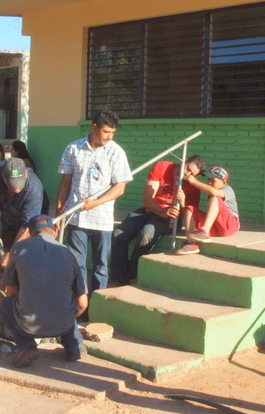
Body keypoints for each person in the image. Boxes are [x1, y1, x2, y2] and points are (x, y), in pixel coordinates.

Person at [56, 110, 133, 301]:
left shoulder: (116, 152)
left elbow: (120, 187)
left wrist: (96, 203)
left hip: (102, 219)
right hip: (76, 217)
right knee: (76, 262)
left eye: (112, 133)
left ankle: (97, 304)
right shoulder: (73, 148)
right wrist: (60, 212)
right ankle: (80, 303)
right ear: (94, 127)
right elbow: (65, 182)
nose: (109, 136)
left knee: (100, 266)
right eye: (106, 131)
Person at [0, 214, 88, 368]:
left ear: (31, 233)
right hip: (63, 323)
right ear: (55, 231)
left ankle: (26, 346)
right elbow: (82, 303)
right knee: (67, 304)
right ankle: (74, 346)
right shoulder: (69, 253)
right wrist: (66, 317)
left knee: (5, 304)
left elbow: (11, 293)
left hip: (28, 325)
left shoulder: (18, 248)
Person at [110, 155, 207, 285]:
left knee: (146, 233)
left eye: (192, 174)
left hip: (171, 218)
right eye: (187, 168)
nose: (186, 174)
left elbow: (188, 215)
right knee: (118, 235)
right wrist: (162, 211)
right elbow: (147, 198)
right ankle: (118, 278)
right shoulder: (162, 167)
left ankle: (133, 274)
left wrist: (182, 202)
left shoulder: (193, 186)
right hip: (149, 210)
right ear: (184, 160)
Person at [0, 157, 50, 312]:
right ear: (4, 178)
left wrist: (11, 253)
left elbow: (27, 227)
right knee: (2, 261)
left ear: (25, 174)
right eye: (12, 186)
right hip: (8, 217)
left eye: (19, 186)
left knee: (21, 263)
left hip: (30, 225)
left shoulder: (34, 189)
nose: (16, 189)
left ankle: (23, 302)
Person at [175, 165, 240, 255]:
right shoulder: (212, 188)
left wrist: (194, 182)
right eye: (208, 179)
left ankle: (204, 232)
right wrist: (182, 203)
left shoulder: (227, 190)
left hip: (230, 227)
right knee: (190, 209)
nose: (209, 182)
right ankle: (190, 243)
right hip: (215, 226)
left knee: (215, 197)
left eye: (213, 180)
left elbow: (213, 192)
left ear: (223, 183)